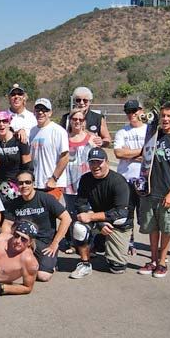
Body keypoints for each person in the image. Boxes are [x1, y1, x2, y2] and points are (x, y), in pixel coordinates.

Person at [137, 102, 170, 278]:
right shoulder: (153, 135)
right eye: (163, 115)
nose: (165, 119)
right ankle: (152, 260)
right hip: (150, 190)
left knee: (166, 229)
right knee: (152, 228)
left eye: (169, 116)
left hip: (168, 192)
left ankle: (162, 262)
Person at [69, 148, 133, 278]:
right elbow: (80, 204)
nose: (95, 166)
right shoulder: (85, 179)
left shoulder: (118, 181)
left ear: (107, 162)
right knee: (79, 227)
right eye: (92, 162)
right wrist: (99, 223)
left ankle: (103, 244)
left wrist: (93, 217)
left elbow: (120, 212)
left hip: (118, 223)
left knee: (117, 267)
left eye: (99, 162)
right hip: (99, 221)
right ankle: (85, 264)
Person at [1, 170, 71, 282]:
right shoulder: (14, 203)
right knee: (6, 266)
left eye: (27, 182)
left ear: (33, 183)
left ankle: (48, 263)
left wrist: (55, 243)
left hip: (45, 243)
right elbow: (7, 224)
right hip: (23, 241)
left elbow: (66, 218)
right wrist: (8, 241)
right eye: (20, 183)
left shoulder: (45, 198)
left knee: (43, 276)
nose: (24, 186)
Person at [113, 99, 148, 254]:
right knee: (127, 213)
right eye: (128, 112)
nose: (132, 114)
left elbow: (151, 155)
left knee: (145, 215)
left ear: (141, 110)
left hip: (146, 179)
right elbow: (119, 153)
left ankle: (154, 248)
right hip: (125, 179)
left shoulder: (150, 131)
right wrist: (141, 152)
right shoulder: (122, 132)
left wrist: (130, 154)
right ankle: (129, 242)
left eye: (135, 111)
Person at [64, 108, 95, 254]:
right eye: (74, 119)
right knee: (71, 214)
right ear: (70, 121)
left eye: (80, 119)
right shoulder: (64, 138)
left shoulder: (91, 139)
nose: (77, 122)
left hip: (86, 183)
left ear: (84, 122)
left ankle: (89, 246)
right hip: (69, 183)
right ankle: (72, 243)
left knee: (87, 214)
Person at [29, 98, 69, 201]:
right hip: (36, 184)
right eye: (38, 110)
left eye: (44, 110)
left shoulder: (58, 131)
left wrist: (54, 178)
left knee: (52, 215)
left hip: (52, 185)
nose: (41, 113)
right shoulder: (32, 131)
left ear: (50, 113)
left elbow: (65, 157)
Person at [0, 110, 32, 206]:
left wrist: (24, 184)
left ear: (9, 122)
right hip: (0, 182)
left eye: (5, 121)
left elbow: (28, 166)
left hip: (19, 181)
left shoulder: (19, 139)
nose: (1, 125)